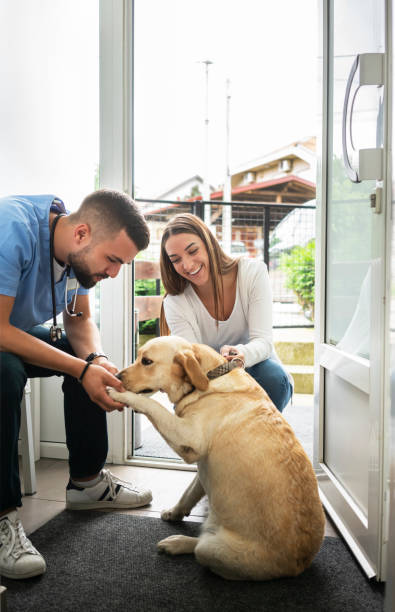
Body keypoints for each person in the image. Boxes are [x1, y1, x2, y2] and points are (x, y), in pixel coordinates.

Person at [0, 189, 152, 580]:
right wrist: (81, 369)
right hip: (1, 336)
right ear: (83, 233)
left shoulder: (76, 253)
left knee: (85, 360)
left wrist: (95, 362)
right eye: (113, 260)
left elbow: (79, 322)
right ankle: (1, 517)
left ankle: (87, 483)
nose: (115, 273)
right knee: (5, 369)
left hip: (10, 333)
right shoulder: (12, 227)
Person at [159, 213, 292, 412]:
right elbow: (193, 363)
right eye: (176, 260)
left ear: (209, 243)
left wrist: (241, 355)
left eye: (193, 251)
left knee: (272, 378)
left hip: (255, 370)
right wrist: (222, 369)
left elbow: (263, 342)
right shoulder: (175, 302)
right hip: (208, 380)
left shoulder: (252, 273)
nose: (187, 265)